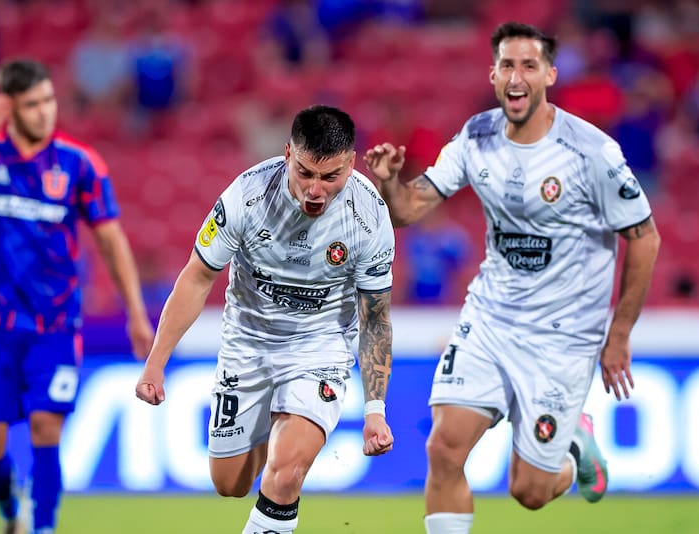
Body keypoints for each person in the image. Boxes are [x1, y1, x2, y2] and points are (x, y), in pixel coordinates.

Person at [364, 21, 660, 534]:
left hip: (562, 336)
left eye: (529, 65)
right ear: (494, 74)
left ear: (549, 75)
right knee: (444, 447)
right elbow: (409, 209)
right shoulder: (476, 136)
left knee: (530, 492)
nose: (516, 76)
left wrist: (619, 335)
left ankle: (573, 444)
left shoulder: (592, 151)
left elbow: (645, 237)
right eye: (507, 65)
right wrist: (390, 183)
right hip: (491, 318)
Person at [136, 104, 395, 534]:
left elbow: (376, 317)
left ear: (351, 163)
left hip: (319, 348)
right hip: (248, 343)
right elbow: (197, 277)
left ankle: (290, 435)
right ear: (288, 154)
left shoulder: (369, 217)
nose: (315, 190)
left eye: (330, 176)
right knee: (230, 483)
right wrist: (155, 362)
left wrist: (375, 410)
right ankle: (276, 424)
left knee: (285, 474)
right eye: (305, 173)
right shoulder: (247, 196)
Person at [0, 59, 155, 534]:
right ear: (9, 108)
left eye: (48, 100)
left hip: (55, 324)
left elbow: (111, 239)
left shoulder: (78, 163)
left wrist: (135, 313)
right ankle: (12, 511)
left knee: (47, 429)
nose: (45, 111)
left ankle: (43, 528)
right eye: (32, 104)